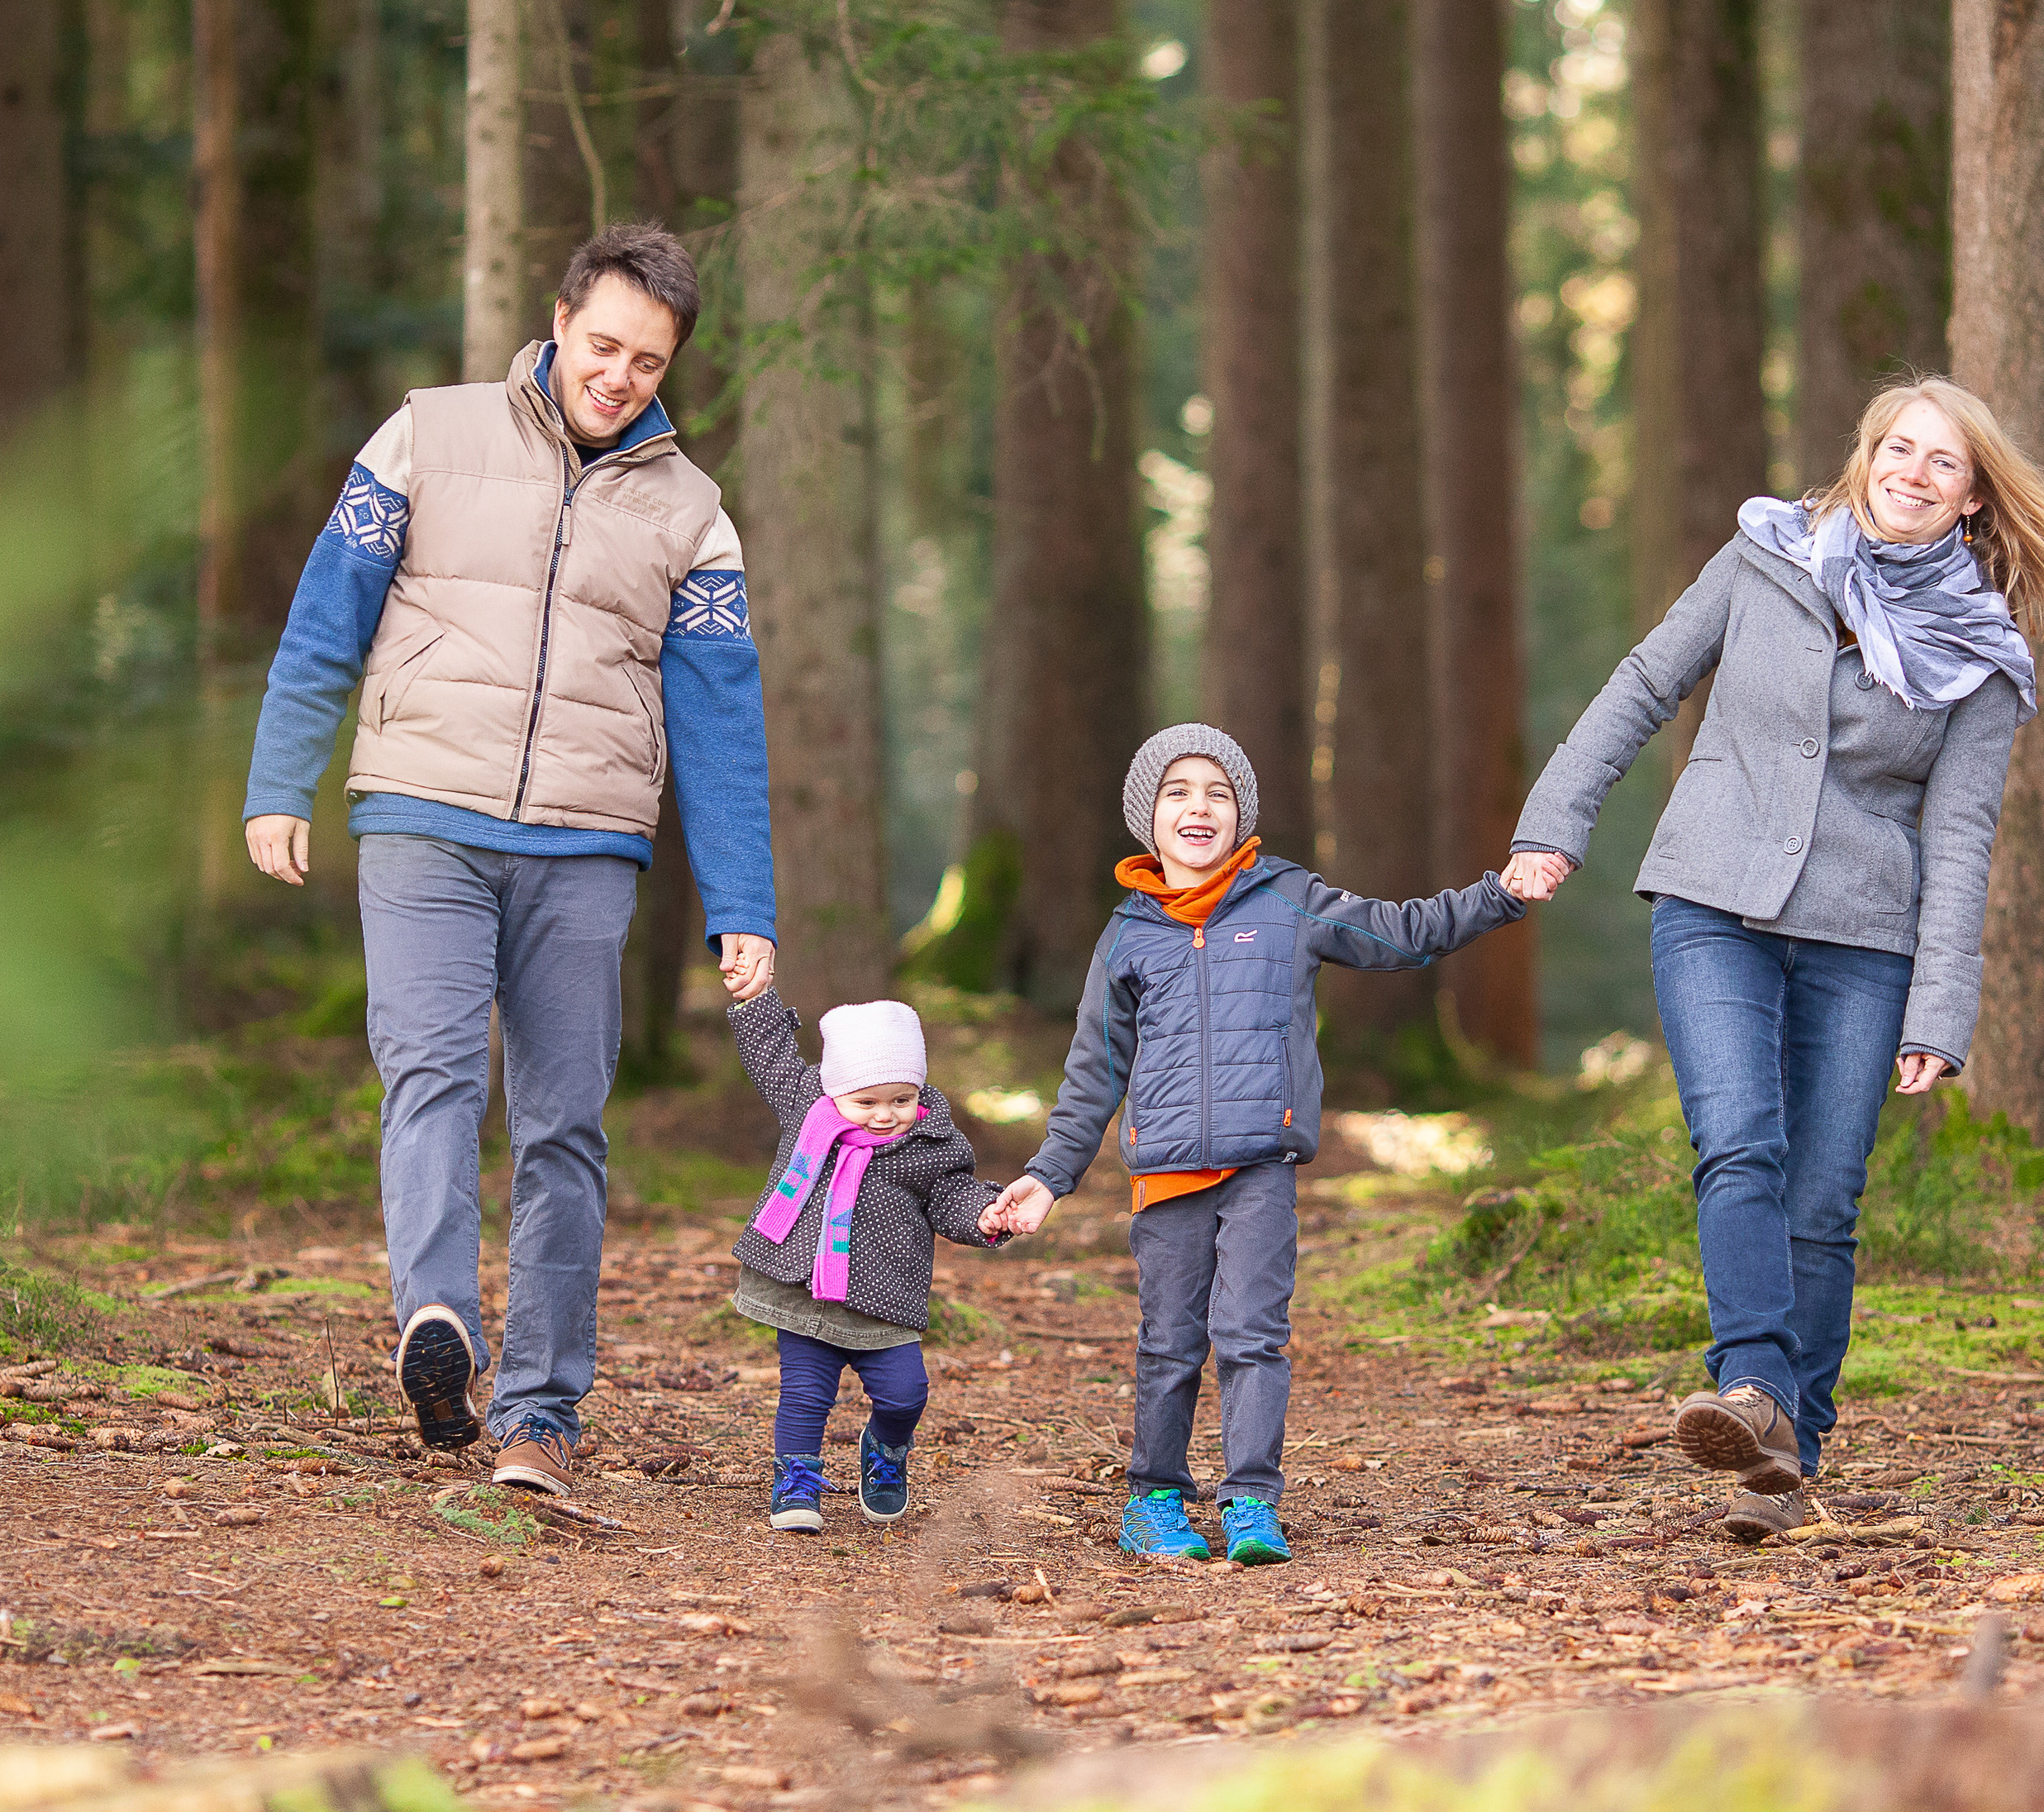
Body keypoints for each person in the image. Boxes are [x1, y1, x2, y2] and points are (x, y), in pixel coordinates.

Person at [1506, 376, 2044, 1542]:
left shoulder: (1983, 651)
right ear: (1866, 454)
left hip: (1864, 935)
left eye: (1943, 462)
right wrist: (1551, 822)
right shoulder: (1766, 556)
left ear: (1974, 497)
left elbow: (1961, 834)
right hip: (1713, 897)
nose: (1913, 471)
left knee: (1824, 1197)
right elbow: (1644, 684)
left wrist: (1943, 1005)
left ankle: (1789, 1460)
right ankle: (1754, 1388)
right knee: (1740, 1142)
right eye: (1899, 448)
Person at [241, 222, 776, 1498]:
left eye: (649, 361)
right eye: (603, 345)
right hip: (423, 810)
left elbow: (719, 723)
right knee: (428, 1077)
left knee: (564, 1129)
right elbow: (328, 619)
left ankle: (540, 1413)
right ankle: (440, 1323)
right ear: (559, 319)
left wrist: (742, 903)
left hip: (588, 847)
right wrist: (278, 781)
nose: (620, 376)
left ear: (669, 365)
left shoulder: (694, 516)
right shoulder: (428, 433)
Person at [988, 723, 1526, 1566]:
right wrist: (1048, 1176)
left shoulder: (1287, 899)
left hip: (1260, 1167)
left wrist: (1502, 893)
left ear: (1241, 816)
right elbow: (1094, 1070)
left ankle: (1250, 1502)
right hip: (1166, 1172)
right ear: (1147, 817)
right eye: (1177, 792)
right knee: (1169, 1340)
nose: (1198, 806)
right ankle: (1153, 1500)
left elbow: (1402, 931)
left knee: (1251, 1334)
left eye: (1218, 792)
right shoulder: (1127, 933)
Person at [723, 989, 1010, 1529]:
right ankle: (796, 1484)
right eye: (868, 1102)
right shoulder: (806, 1105)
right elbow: (768, 1052)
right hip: (805, 1288)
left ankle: (885, 1448)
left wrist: (984, 1214)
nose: (885, 1116)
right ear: (835, 1091)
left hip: (885, 1298)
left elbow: (952, 1195)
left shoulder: (930, 1141)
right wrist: (753, 997)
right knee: (805, 1395)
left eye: (900, 1100)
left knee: (906, 1395)